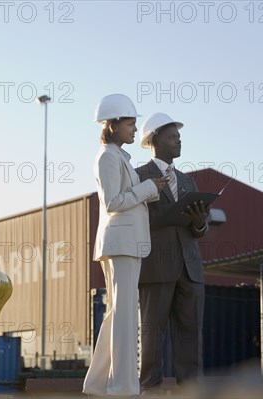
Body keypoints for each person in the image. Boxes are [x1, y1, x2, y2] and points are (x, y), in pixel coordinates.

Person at [83, 94, 167, 396]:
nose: (135, 129)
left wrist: (149, 189)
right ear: (114, 125)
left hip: (122, 243)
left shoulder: (116, 156)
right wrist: (146, 188)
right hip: (122, 244)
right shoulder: (108, 156)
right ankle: (123, 387)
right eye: (130, 124)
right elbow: (113, 202)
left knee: (116, 314)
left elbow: (123, 197)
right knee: (126, 316)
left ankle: (95, 385)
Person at [134, 112, 209, 394]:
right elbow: (137, 219)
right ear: (154, 140)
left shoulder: (188, 182)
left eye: (179, 136)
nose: (178, 141)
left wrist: (200, 220)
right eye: (172, 136)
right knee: (152, 331)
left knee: (190, 332)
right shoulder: (138, 176)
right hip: (156, 267)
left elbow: (199, 230)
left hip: (190, 268)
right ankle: (150, 388)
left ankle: (190, 389)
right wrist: (170, 213)